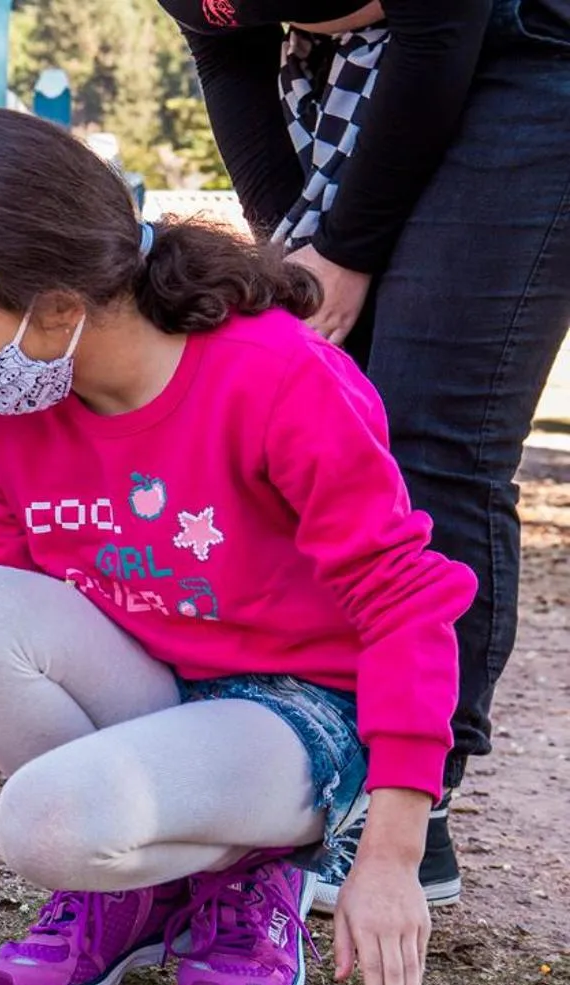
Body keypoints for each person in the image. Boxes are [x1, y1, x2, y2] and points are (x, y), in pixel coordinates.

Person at [0, 110, 474, 985]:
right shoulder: (17, 414)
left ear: (59, 309)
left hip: (299, 720)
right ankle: (134, 893)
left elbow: (405, 606)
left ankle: (255, 877)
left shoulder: (279, 381)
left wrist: (391, 854)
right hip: (159, 698)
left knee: (43, 823)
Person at [159, 0, 570, 909]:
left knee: (431, 434)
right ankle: (322, 751)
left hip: (532, 53)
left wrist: (347, 246)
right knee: (335, 413)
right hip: (357, 69)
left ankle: (411, 811)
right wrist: (295, 254)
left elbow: (441, 25)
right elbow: (228, 53)